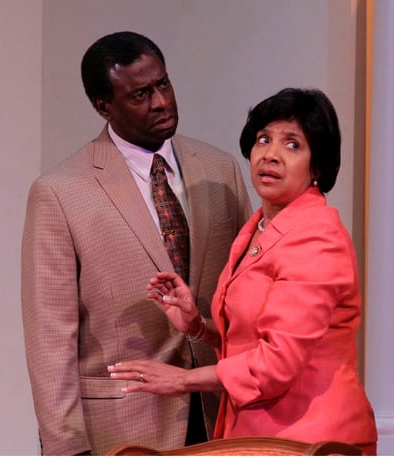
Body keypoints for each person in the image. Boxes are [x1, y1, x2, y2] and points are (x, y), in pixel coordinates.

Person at [109, 88, 378, 455]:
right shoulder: (258, 227)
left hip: (311, 440)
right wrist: (198, 325)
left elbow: (277, 362)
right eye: (263, 139)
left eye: (292, 145)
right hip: (255, 435)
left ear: (317, 166)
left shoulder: (318, 236)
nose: (271, 154)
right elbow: (254, 336)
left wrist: (184, 380)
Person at [21, 31, 252, 455]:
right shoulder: (60, 191)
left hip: (225, 416)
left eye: (163, 84)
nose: (160, 102)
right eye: (140, 94)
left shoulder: (222, 170)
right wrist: (66, 447)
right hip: (124, 428)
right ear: (103, 105)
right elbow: (50, 337)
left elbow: (249, 297)